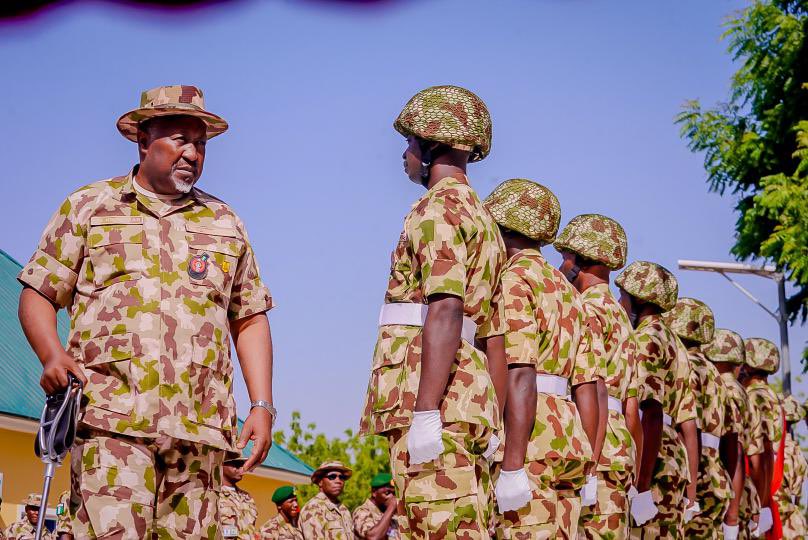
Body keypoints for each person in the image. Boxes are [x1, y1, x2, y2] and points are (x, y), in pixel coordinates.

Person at [16, 85, 276, 539]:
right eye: (179, 139)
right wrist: (52, 355)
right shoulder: (90, 207)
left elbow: (249, 316)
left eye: (200, 144)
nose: (192, 153)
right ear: (142, 139)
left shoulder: (224, 222)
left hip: (199, 431)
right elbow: (37, 292)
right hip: (110, 421)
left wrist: (262, 405)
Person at [358, 85, 507, 539]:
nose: (405, 154)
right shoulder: (484, 219)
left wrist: (424, 411)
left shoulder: (436, 210)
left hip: (431, 397)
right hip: (464, 397)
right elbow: (492, 335)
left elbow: (445, 306)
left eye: (410, 142)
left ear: (432, 145)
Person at [483, 181, 603, 539]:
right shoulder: (569, 292)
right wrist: (591, 468)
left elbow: (519, 371)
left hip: (529, 436)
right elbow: (589, 386)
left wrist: (512, 465)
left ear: (504, 228)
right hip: (569, 437)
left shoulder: (514, 279)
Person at [554, 213, 641, 540]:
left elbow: (595, 390)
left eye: (565, 257)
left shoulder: (583, 308)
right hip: (619, 453)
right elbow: (631, 409)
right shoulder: (622, 319)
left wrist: (589, 466)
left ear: (576, 260)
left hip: (592, 446)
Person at [616, 261, 690, 538]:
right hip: (669, 453)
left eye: (624, 296)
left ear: (639, 299)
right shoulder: (673, 340)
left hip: (653, 457)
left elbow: (652, 411)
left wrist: (642, 485)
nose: (620, 302)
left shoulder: (648, 338)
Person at [666, 299, 735, 539]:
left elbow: (689, 428)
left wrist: (691, 491)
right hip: (716, 476)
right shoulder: (714, 373)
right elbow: (731, 441)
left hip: (694, 472)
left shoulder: (686, 365)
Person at [700, 329, 763, 540]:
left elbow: (732, 447)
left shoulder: (727, 389)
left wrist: (732, 516)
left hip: (722, 484)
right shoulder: (739, 389)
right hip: (735, 486)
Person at [739, 338, 783, 538]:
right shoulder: (770, 395)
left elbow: (763, 453)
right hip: (761, 491)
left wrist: (761, 505)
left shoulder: (756, 396)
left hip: (754, 491)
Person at [775, 394, 806, 538]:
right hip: (793, 525)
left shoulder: (770, 449)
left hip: (774, 523)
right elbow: (797, 494)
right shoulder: (796, 451)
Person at [299, 461, 354, 538]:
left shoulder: (343, 509)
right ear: (320, 482)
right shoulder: (313, 509)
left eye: (341, 477)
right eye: (332, 476)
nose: (338, 481)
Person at [219, 457, 258, 538]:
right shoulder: (214, 494)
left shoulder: (247, 497)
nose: (242, 469)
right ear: (221, 464)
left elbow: (251, 528)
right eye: (236, 465)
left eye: (242, 465)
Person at [352, 473, 399, 539]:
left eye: (394, 493)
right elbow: (372, 537)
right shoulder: (362, 511)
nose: (392, 497)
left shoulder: (392, 515)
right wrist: (391, 507)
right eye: (387, 493)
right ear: (374, 492)